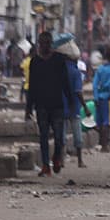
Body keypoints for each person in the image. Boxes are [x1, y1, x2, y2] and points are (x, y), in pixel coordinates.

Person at [29, 31, 74, 176]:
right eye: (43, 43)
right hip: (41, 105)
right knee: (43, 137)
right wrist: (28, 107)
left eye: (48, 43)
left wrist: (71, 100)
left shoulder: (59, 60)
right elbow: (32, 85)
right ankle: (45, 166)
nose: (45, 46)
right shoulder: (34, 62)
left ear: (51, 44)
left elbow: (65, 82)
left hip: (57, 105)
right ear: (39, 44)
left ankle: (56, 158)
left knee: (59, 137)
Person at [59, 39, 88, 167]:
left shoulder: (58, 71)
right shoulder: (76, 72)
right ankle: (80, 161)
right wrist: (85, 107)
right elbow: (78, 92)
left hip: (61, 106)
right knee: (77, 135)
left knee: (62, 135)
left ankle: (62, 160)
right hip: (73, 107)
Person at [92, 46, 110, 153]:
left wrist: (96, 97)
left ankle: (102, 143)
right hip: (109, 98)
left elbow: (95, 84)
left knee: (100, 121)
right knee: (107, 122)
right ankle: (105, 145)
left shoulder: (100, 69)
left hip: (99, 97)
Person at [21, 46, 34, 119]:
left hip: (26, 84)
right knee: (32, 103)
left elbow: (21, 67)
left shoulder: (26, 61)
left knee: (29, 103)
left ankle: (28, 116)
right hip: (33, 85)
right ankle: (29, 116)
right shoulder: (34, 61)